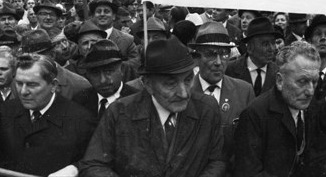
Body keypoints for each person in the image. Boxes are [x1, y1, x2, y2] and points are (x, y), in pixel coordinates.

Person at [79, 36, 226, 177]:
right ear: (147, 83)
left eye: (188, 80)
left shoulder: (207, 108)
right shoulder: (119, 112)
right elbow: (93, 165)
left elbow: (217, 160)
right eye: (170, 83)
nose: (183, 93)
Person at [0, 53, 96, 176]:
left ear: (53, 85)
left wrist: (75, 168)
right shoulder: (5, 111)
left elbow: (92, 161)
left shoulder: (80, 119)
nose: (23, 92)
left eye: (32, 84)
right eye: (19, 83)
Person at [233, 41, 321, 177]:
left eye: (314, 82)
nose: (310, 91)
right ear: (280, 81)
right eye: (302, 81)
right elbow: (248, 172)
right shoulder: (255, 115)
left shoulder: (312, 108)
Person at [190, 22, 255, 171]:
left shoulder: (244, 91)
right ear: (197, 57)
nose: (218, 62)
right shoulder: (185, 93)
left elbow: (250, 145)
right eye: (210, 54)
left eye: (224, 54)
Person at [72, 40, 138, 120]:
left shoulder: (138, 101)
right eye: (95, 73)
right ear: (87, 75)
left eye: (109, 71)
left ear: (122, 70)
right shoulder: (79, 101)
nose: (103, 80)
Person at [21, 29, 91, 99]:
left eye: (36, 58)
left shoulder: (79, 84)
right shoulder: (17, 82)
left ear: (52, 55)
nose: (31, 63)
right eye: (26, 59)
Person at [225, 16, 280, 97]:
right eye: (265, 44)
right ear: (250, 47)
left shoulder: (279, 73)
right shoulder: (229, 70)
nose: (271, 48)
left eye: (273, 43)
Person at [89, 0, 141, 72]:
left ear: (113, 16)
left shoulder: (127, 40)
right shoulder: (85, 38)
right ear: (94, 16)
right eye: (99, 11)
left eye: (106, 11)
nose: (102, 14)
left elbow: (136, 63)